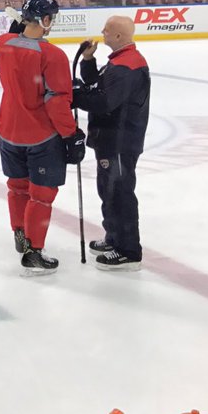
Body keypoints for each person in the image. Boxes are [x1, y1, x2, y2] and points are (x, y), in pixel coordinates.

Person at [0, 0, 85, 273]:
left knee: (17, 186)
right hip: (40, 136)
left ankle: (19, 232)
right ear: (44, 20)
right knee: (42, 194)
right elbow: (56, 101)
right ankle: (34, 250)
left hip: (8, 130)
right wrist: (71, 134)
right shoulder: (53, 55)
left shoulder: (2, 43)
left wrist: (13, 39)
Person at [74, 16, 150, 271]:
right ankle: (114, 237)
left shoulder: (126, 67)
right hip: (111, 138)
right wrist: (88, 61)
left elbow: (103, 101)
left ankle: (128, 250)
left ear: (119, 36)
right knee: (108, 189)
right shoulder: (120, 61)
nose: (102, 32)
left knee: (119, 192)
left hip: (119, 140)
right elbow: (97, 85)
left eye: (107, 29)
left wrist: (74, 95)